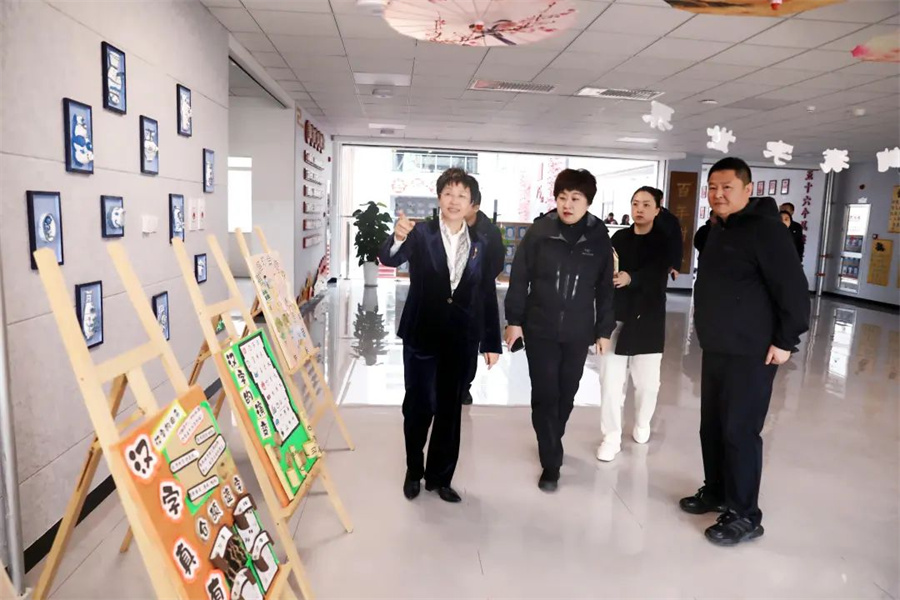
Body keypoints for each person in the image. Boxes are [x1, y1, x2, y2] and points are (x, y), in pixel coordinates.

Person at [680, 157, 809, 546]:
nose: (718, 194)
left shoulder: (767, 232)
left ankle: (745, 515)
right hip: (717, 346)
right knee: (712, 426)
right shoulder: (718, 229)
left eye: (727, 188)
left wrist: (786, 341)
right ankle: (717, 491)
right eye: (712, 188)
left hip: (753, 350)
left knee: (739, 430)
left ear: (748, 190)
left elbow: (793, 290)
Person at [379, 168, 502, 503]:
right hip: (422, 333)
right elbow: (389, 258)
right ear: (439, 198)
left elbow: (485, 292)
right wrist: (398, 237)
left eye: (462, 195)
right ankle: (413, 470)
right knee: (419, 406)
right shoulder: (421, 234)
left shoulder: (481, 243)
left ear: (472, 203)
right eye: (448, 193)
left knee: (449, 411)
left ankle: (440, 477)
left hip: (461, 339)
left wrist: (491, 342)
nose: (454, 200)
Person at [504, 169, 615, 492]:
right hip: (540, 327)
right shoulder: (540, 232)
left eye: (575, 198)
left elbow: (605, 288)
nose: (567, 204)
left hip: (578, 330)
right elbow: (519, 278)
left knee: (567, 393)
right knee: (545, 394)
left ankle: (552, 437)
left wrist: (603, 329)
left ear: (588, 202)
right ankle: (551, 462)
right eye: (562, 197)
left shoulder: (599, 238)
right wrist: (514, 321)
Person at [597, 186, 670, 462]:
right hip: (617, 316)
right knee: (611, 382)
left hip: (648, 319)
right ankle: (611, 436)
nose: (639, 209)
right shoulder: (619, 238)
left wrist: (632, 278)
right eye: (635, 203)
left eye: (646, 204)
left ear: (657, 210)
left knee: (648, 384)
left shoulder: (663, 241)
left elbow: (657, 275)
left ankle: (642, 422)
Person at [460, 176, 505, 406]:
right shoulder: (445, 226)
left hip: (475, 296)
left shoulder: (489, 232)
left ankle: (464, 387)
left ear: (475, 205)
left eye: (463, 199)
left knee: (469, 346)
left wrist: (476, 276)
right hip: (446, 298)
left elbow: (496, 263)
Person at [655, 203, 684, 279]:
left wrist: (676, 266)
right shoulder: (643, 216)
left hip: (661, 265)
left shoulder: (670, 219)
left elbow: (677, 243)